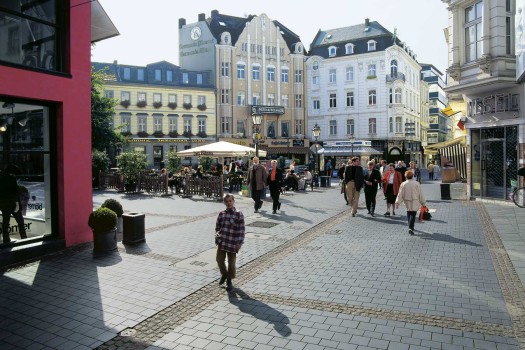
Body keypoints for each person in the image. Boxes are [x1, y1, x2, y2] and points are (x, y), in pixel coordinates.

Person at [215, 194, 245, 291]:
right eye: (226, 201)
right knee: (219, 259)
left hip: (233, 242)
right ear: (224, 202)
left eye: (230, 201)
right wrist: (217, 236)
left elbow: (241, 229)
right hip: (222, 241)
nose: (228, 203)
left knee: (231, 263)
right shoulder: (222, 214)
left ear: (233, 201)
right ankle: (224, 274)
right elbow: (217, 227)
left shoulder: (238, 214)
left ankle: (229, 280)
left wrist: (239, 243)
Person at [0, 164, 27, 244]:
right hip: (13, 204)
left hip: (3, 204)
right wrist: (18, 204)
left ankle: (6, 240)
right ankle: (24, 238)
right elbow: (15, 193)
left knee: (5, 222)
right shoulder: (12, 178)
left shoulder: (1, 177)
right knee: (20, 222)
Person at [395, 170, 426, 235]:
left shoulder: (403, 184)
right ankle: (411, 227)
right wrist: (423, 202)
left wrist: (397, 202)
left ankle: (410, 226)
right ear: (412, 176)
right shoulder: (417, 183)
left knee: (409, 212)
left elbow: (400, 194)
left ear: (406, 176)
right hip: (415, 200)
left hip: (407, 200)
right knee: (413, 214)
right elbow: (420, 193)